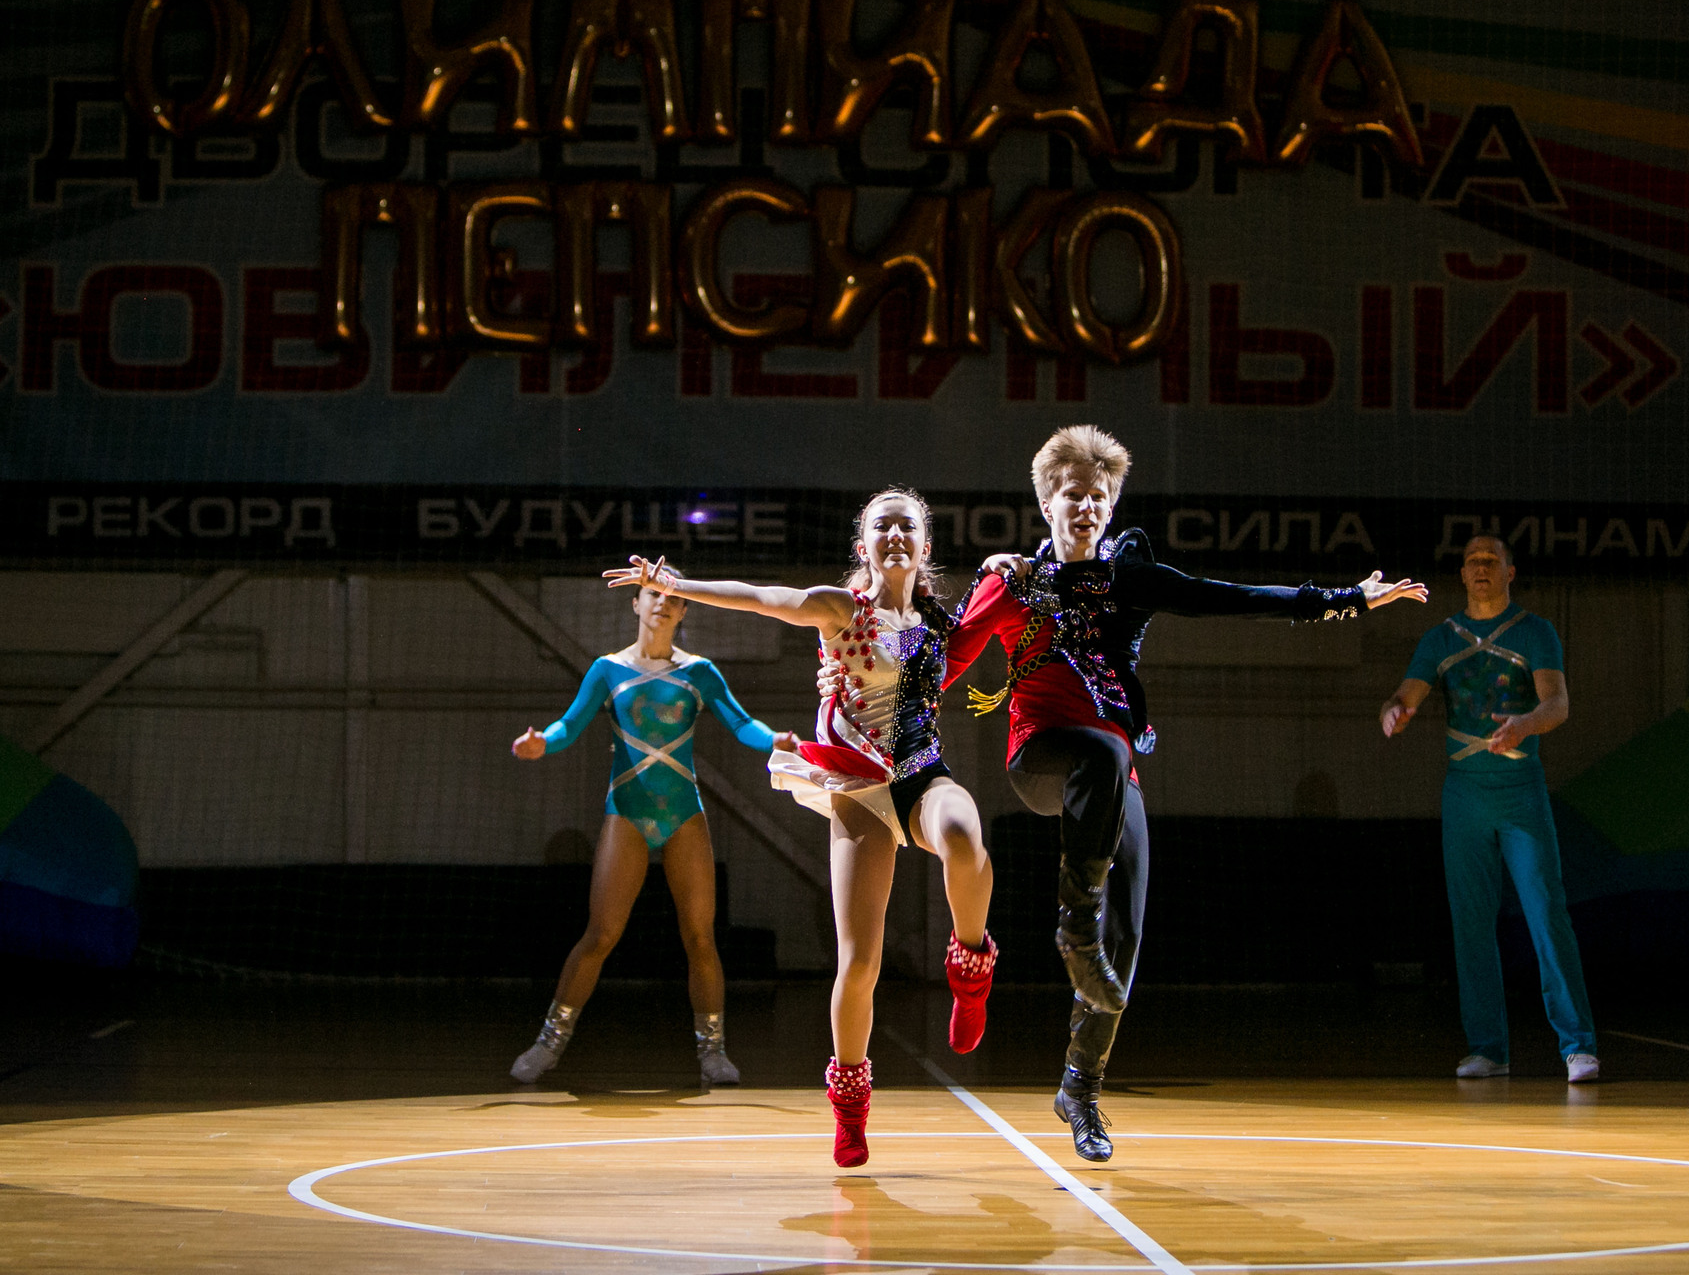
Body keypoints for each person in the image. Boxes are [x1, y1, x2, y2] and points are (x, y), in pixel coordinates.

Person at [935, 425, 1428, 1161]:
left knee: (1129, 927)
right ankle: (1074, 926)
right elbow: (944, 662)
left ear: (1111, 507)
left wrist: (1348, 599)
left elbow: (1229, 598)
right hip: (1041, 758)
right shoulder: (1011, 584)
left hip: (1111, 774)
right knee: (1102, 750)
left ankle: (1080, 1087)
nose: (1086, 507)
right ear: (1046, 503)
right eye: (1073, 495)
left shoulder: (1128, 578)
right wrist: (872, 687)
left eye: (1098, 497)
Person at [607, 489, 997, 1170]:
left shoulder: (943, 621)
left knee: (964, 835)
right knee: (861, 961)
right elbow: (762, 598)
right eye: (882, 526)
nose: (896, 534)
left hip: (921, 774)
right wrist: (678, 585)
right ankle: (851, 1104)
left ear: (925, 546)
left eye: (907, 525)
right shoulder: (842, 610)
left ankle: (970, 966)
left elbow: (1006, 609)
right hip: (859, 787)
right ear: (863, 546)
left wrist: (1012, 566)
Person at [507, 564, 796, 1088]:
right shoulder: (607, 670)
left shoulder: (700, 673)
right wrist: (542, 743)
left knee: (700, 937)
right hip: (627, 812)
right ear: (636, 604)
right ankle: (548, 1044)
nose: (661, 601)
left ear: (683, 609)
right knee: (600, 934)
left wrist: (774, 739)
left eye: (671, 595)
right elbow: (569, 724)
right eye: (651, 593)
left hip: (683, 813)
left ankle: (713, 1052)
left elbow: (741, 724)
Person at [1380, 532, 1599, 1083]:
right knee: (1471, 922)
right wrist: (1395, 712)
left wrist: (1524, 724)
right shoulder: (1440, 638)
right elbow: (1406, 694)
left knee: (1546, 913)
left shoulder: (1535, 631)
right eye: (1472, 560)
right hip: (1465, 795)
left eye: (1490, 560)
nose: (1481, 567)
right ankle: (1488, 1048)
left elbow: (1557, 704)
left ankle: (1578, 1045)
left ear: (1509, 572)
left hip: (1521, 791)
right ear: (1462, 574)